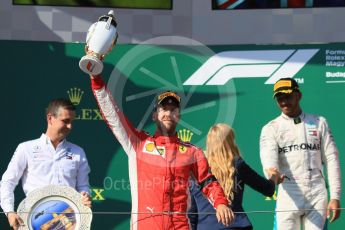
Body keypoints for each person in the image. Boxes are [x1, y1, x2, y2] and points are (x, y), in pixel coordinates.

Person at [89, 74, 233, 230]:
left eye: (173, 110)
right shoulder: (138, 143)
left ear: (178, 117)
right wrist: (96, 80)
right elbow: (113, 115)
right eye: (163, 109)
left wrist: (220, 203)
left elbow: (208, 182)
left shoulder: (192, 152)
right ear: (154, 116)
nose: (168, 114)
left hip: (180, 226)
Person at [260, 78, 341, 230]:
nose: (284, 102)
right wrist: (272, 174)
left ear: (299, 95)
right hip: (288, 192)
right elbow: (269, 160)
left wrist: (335, 197)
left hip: (317, 191)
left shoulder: (319, 122)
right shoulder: (271, 128)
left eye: (287, 96)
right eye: (279, 98)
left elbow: (332, 159)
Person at [0, 98, 91, 230]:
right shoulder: (26, 148)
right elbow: (8, 181)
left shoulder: (78, 152)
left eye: (71, 122)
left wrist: (85, 196)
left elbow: (83, 186)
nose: (70, 126)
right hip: (34, 222)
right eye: (65, 121)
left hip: (69, 223)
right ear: (50, 119)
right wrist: (9, 212)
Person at [188, 123, 277, 230]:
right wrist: (273, 178)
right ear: (230, 142)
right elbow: (268, 189)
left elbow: (191, 213)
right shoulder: (237, 164)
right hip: (236, 225)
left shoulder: (198, 170)